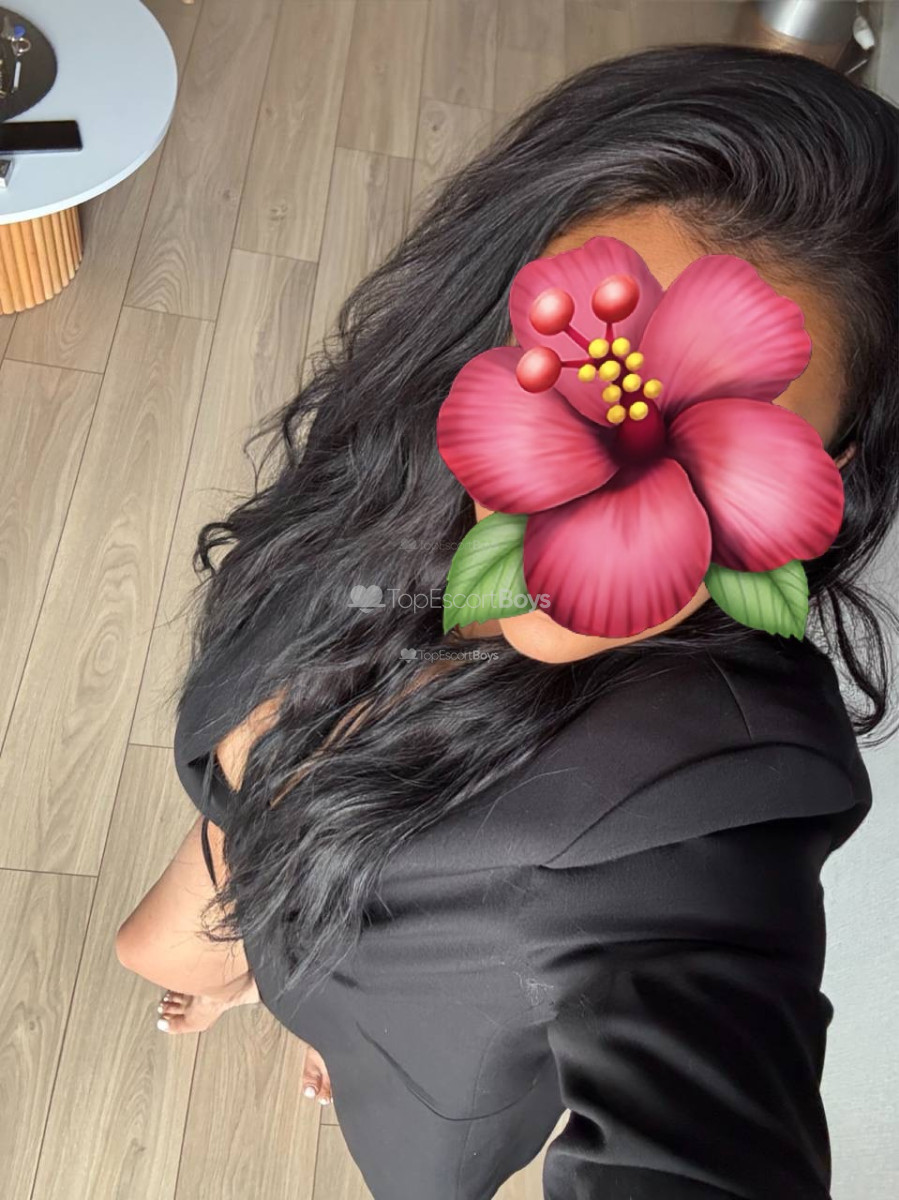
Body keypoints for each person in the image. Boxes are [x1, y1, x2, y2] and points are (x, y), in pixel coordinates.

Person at [115, 44, 898, 1200]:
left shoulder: (711, 812)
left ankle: (327, 1024)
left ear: (823, 476)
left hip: (418, 1073)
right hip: (273, 858)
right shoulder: (400, 455)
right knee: (161, 949)